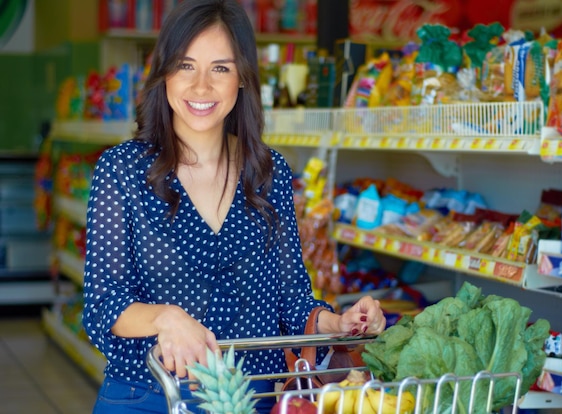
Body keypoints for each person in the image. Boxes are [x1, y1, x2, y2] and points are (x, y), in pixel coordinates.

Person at [81, 1, 386, 413]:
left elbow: (292, 300)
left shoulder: (268, 171)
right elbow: (103, 306)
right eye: (186, 66)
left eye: (220, 68)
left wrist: (340, 324)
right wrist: (165, 318)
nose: (201, 86)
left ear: (242, 78)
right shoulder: (122, 170)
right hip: (150, 397)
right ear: (164, 72)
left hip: (250, 398)